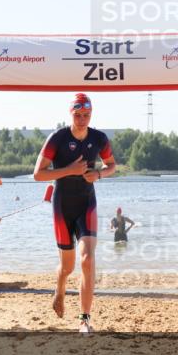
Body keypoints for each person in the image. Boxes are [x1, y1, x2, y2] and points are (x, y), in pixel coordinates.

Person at [33, 93, 116, 333]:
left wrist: (99, 174)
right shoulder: (57, 138)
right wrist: (69, 170)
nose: (82, 120)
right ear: (71, 114)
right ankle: (60, 286)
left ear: (91, 115)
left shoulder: (99, 138)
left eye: (86, 115)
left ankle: (84, 319)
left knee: (88, 260)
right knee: (68, 268)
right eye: (77, 115)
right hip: (62, 206)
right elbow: (38, 174)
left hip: (87, 202)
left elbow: (112, 165)